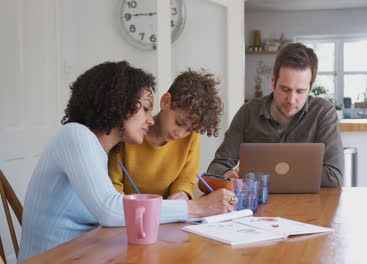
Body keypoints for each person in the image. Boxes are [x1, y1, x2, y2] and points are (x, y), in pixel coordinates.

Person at [18, 61, 235, 262]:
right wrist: (195, 207)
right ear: (120, 104)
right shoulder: (75, 136)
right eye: (146, 109)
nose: (150, 120)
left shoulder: (98, 151)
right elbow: (110, 209)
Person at [207, 43, 344, 187]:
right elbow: (216, 168)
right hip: (259, 205)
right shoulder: (248, 113)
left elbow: (334, 177)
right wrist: (226, 174)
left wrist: (264, 174)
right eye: (285, 89)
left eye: (300, 91)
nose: (291, 100)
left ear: (311, 86)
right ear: (273, 80)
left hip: (310, 205)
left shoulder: (323, 113)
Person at [108, 69, 223, 200]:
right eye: (179, 122)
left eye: (189, 129)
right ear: (165, 101)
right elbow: (113, 183)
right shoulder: (130, 133)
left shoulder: (191, 138)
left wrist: (182, 193)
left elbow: (186, 178)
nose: (180, 133)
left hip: (167, 212)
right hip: (128, 210)